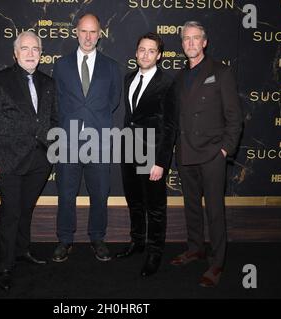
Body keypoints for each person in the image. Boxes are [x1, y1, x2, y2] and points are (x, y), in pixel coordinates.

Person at [163, 21, 243, 287]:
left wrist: (224, 150)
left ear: (204, 42)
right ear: (182, 43)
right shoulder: (179, 77)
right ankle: (195, 248)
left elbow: (234, 118)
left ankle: (217, 263)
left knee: (215, 211)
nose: (191, 43)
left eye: (196, 38)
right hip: (185, 153)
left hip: (211, 154)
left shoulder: (221, 72)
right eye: (186, 39)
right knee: (192, 207)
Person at [0, 31, 57, 291]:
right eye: (25, 48)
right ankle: (5, 265)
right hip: (8, 160)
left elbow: (52, 120)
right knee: (11, 213)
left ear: (41, 53)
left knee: (26, 209)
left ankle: (23, 251)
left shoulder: (48, 82)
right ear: (15, 53)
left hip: (40, 160)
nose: (30, 53)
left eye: (35, 49)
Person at [52, 13, 122, 262]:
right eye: (84, 31)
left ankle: (97, 238)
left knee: (100, 193)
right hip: (68, 140)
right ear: (76, 33)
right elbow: (57, 100)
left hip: (99, 140)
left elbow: (113, 100)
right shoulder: (61, 65)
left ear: (100, 34)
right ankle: (64, 239)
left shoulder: (111, 66)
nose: (88, 37)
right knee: (66, 193)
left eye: (93, 32)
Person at [115, 32, 173, 277]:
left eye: (151, 51)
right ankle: (137, 242)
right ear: (136, 52)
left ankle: (154, 252)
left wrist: (160, 162)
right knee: (134, 202)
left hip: (152, 153)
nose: (145, 54)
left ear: (159, 56)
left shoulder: (167, 83)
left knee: (155, 207)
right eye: (142, 49)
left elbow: (169, 126)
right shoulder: (129, 78)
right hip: (129, 148)